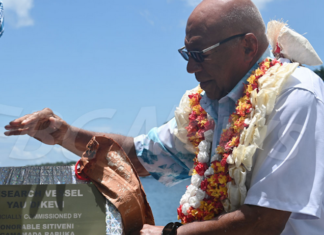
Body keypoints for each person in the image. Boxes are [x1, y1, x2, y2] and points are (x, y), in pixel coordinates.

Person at [4, 0, 324, 234]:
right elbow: (139, 157)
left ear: (248, 46)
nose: (189, 68)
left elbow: (264, 222)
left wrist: (170, 234)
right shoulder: (206, 107)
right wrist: (62, 133)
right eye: (186, 55)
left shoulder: (295, 95)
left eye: (199, 55)